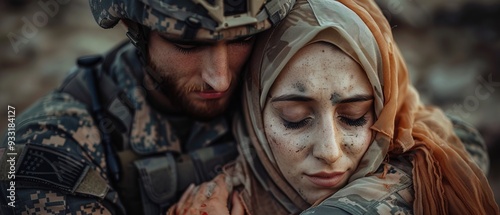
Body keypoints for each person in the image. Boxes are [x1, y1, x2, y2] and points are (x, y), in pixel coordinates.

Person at [169, 0, 499, 214]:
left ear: (384, 110)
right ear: (254, 114)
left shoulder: (423, 164)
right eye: (294, 119)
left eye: (354, 117)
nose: (329, 150)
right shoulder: (210, 195)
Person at [0, 0, 296, 214]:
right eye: (187, 44)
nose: (219, 80)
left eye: (242, 39)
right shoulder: (45, 149)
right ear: (136, 28)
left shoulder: (292, 86)